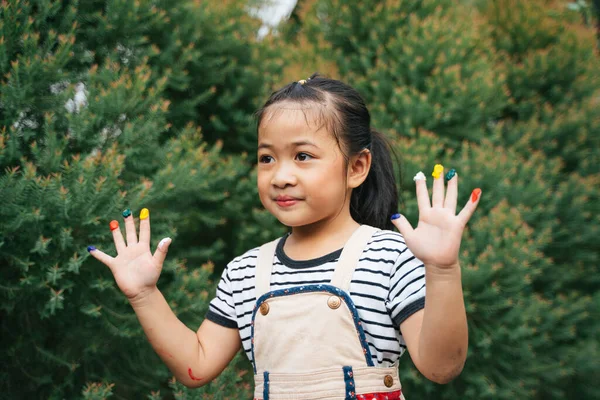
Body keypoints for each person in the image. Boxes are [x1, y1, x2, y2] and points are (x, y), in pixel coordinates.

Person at [88, 73, 481, 400]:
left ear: (357, 167)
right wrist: (144, 294)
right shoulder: (244, 272)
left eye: (303, 156)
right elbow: (197, 365)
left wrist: (443, 270)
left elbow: (442, 366)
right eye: (266, 158)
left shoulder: (391, 256)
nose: (281, 176)